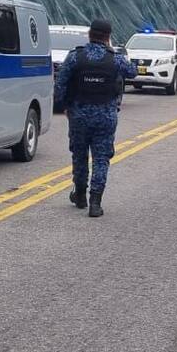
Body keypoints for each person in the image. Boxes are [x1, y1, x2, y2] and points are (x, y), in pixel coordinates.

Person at [53, 19, 136, 218]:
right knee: (101, 158)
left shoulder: (75, 57)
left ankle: (80, 195)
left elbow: (60, 85)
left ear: (89, 34)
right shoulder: (114, 59)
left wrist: (64, 106)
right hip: (105, 116)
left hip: (79, 115)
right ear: (108, 37)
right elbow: (132, 72)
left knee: (79, 155)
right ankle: (95, 203)